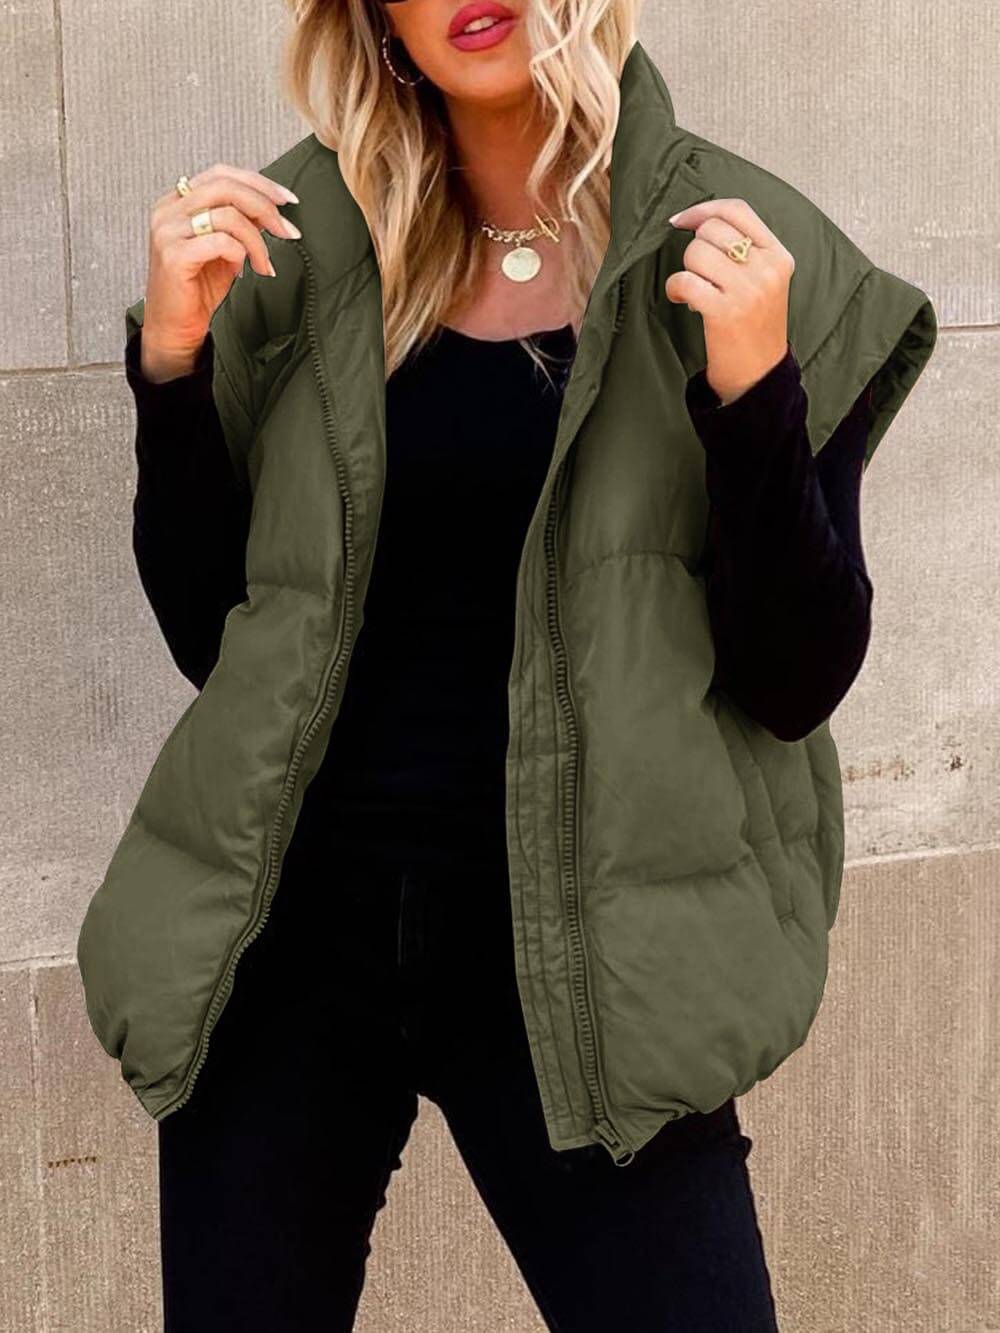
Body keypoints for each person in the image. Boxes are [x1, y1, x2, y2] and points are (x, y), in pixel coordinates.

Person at [77, 3, 937, 1329]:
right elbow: (215, 635)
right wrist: (175, 365)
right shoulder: (294, 249)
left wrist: (756, 397)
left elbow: (795, 678)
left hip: (594, 956)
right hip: (294, 940)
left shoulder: (744, 249)